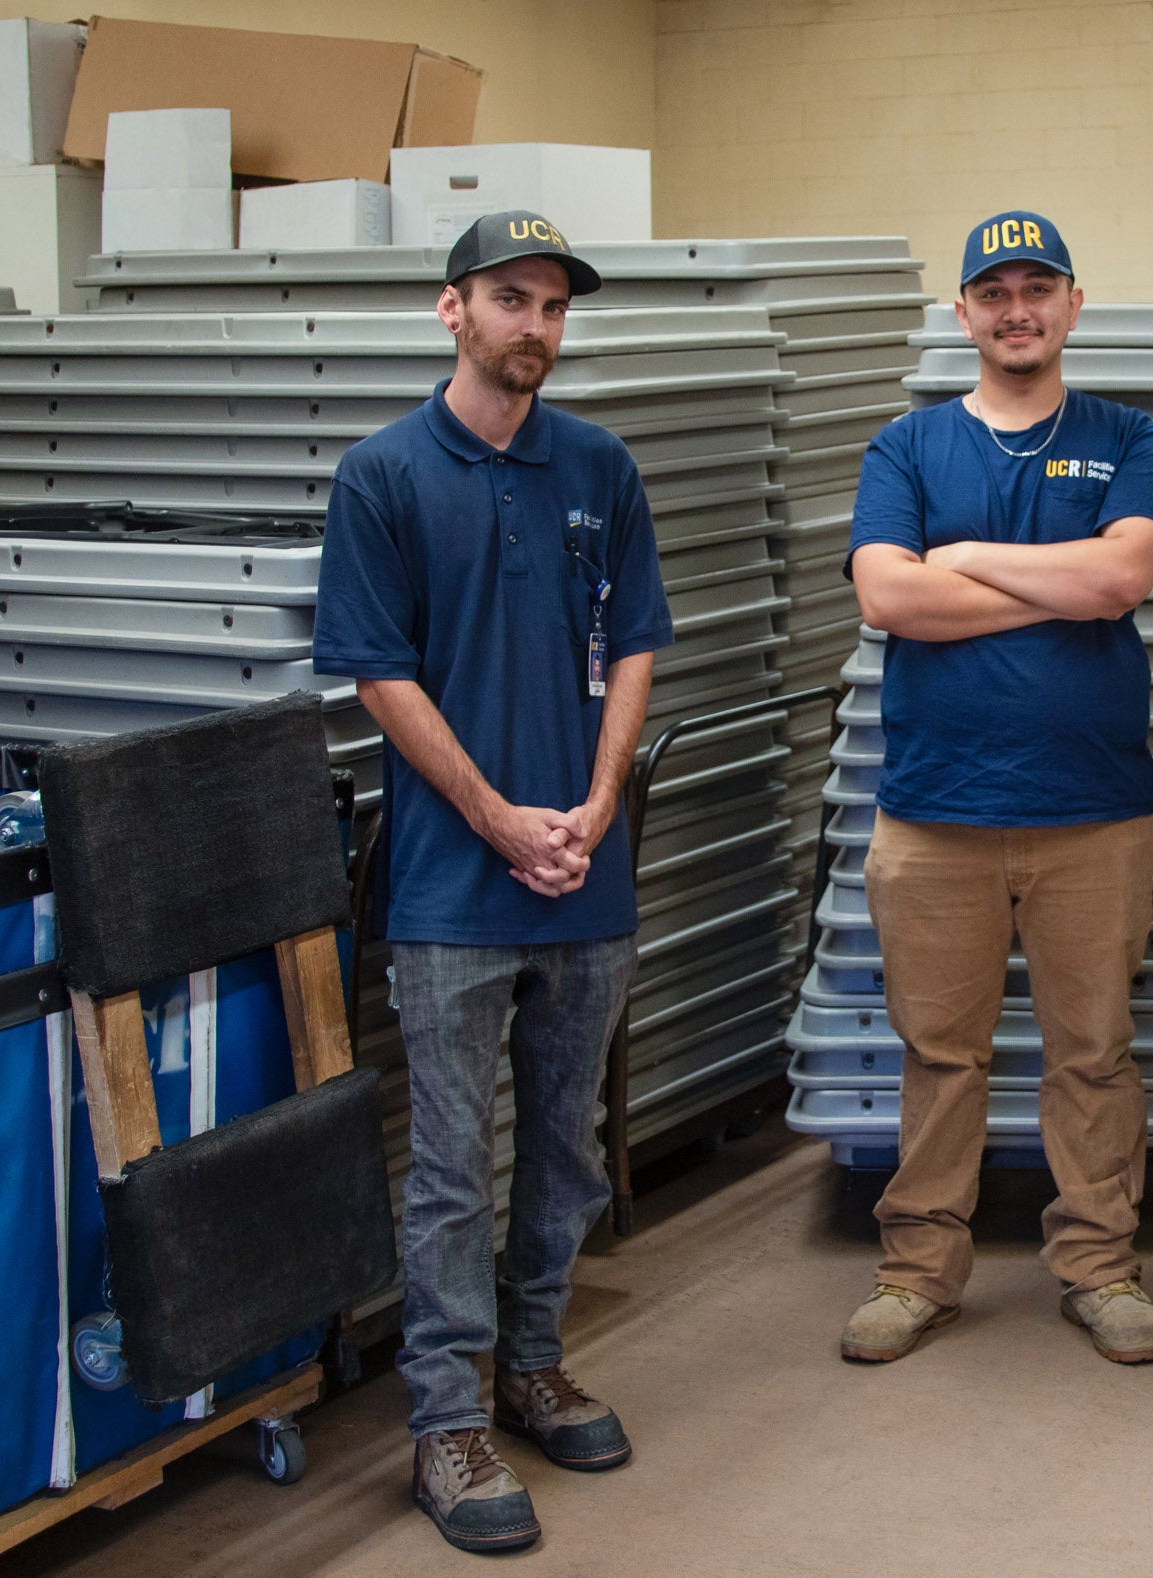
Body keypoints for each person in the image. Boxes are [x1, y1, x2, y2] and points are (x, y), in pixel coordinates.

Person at [314, 211, 671, 1554]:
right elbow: (378, 672)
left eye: (554, 306)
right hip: (456, 890)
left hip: (585, 877)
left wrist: (590, 804)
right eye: (510, 299)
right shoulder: (384, 476)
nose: (536, 324)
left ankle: (533, 1362)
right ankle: (447, 1423)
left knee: (567, 1148)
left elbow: (634, 641)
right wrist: (495, 816)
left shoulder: (600, 466)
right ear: (450, 309)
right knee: (457, 1166)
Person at [835, 211, 1153, 1366]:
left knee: (1093, 1052)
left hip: (1095, 814)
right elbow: (890, 600)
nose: (1017, 308)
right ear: (963, 314)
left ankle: (1099, 1264)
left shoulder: (1129, 437)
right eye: (995, 290)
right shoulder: (908, 446)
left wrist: (969, 557)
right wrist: (1063, 586)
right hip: (936, 814)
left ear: (1074, 305)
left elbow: (1123, 575)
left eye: (1040, 287)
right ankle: (918, 1270)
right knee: (940, 1055)